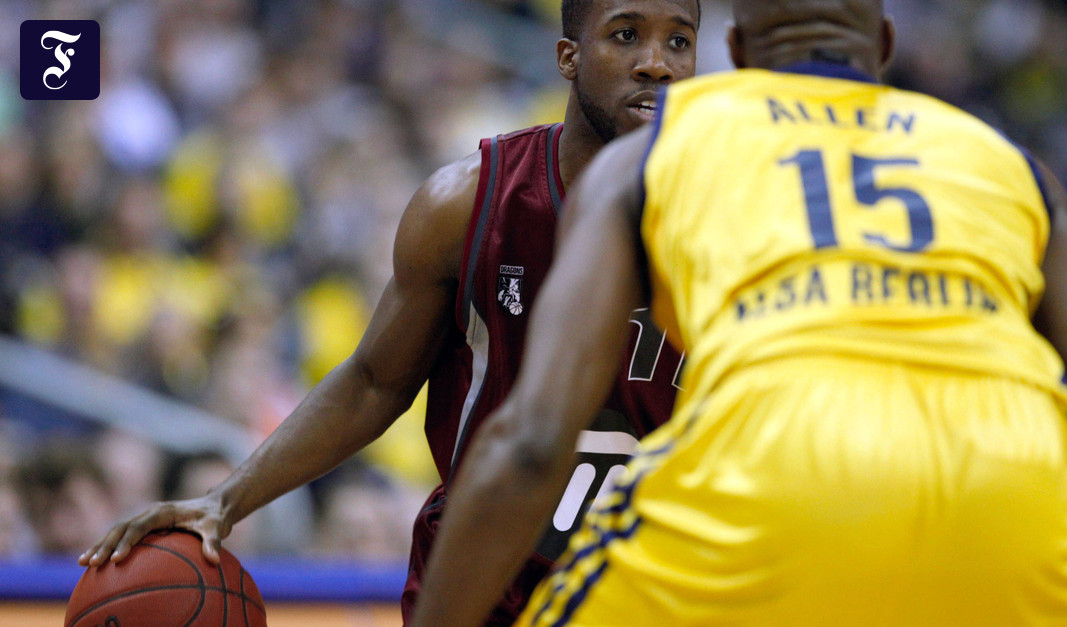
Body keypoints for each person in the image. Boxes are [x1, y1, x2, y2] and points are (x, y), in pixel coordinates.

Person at [408, 1, 1067, 625]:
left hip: (773, 482)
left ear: (742, 58)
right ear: (883, 47)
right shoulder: (1002, 159)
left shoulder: (658, 152)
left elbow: (535, 434)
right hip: (1023, 503)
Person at [80, 1, 698, 624]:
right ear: (568, 56)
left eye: (679, 42)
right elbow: (374, 383)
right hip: (485, 597)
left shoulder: (728, 221)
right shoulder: (466, 203)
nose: (656, 64)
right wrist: (227, 499)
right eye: (626, 35)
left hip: (656, 593)